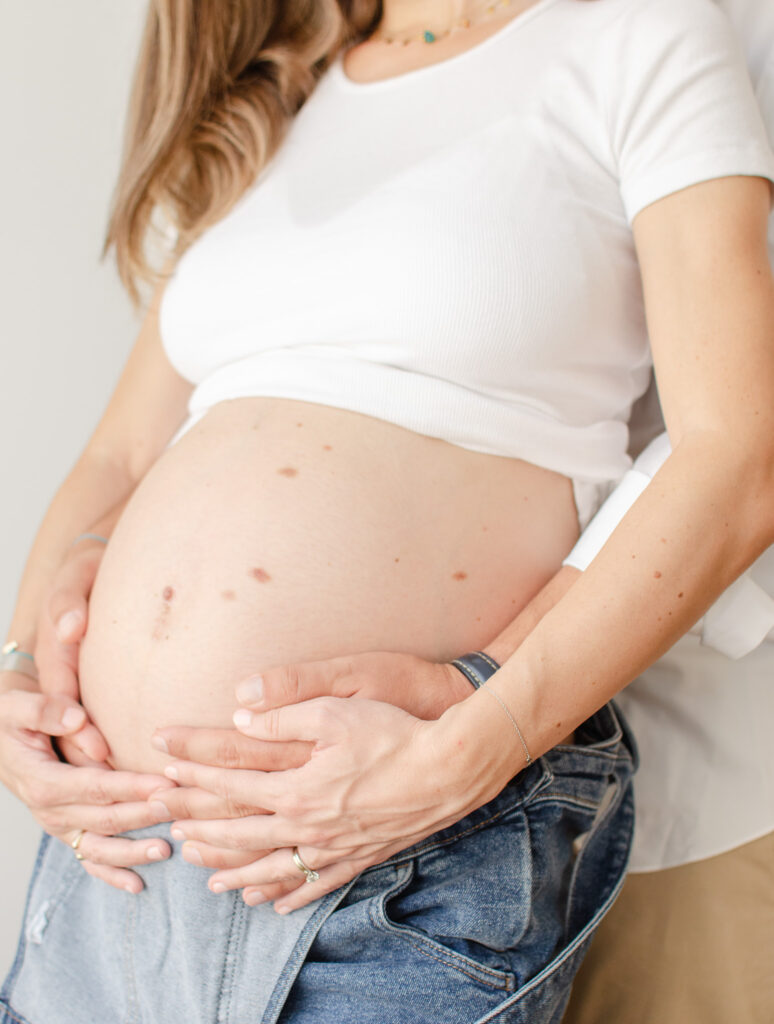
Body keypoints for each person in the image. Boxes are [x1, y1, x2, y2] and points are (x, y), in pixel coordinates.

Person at [1, 0, 774, 1021]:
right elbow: (121, 453)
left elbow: (738, 455)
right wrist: (22, 674)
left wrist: (473, 743)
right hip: (113, 872)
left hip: (394, 857)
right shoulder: (279, 93)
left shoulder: (639, 33)